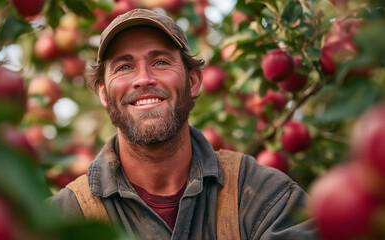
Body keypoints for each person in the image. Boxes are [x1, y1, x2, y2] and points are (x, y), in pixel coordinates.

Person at [48, 8, 318, 240]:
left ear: (193, 82)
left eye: (161, 62)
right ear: (104, 94)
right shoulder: (63, 219)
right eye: (124, 67)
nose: (143, 79)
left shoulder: (263, 196)